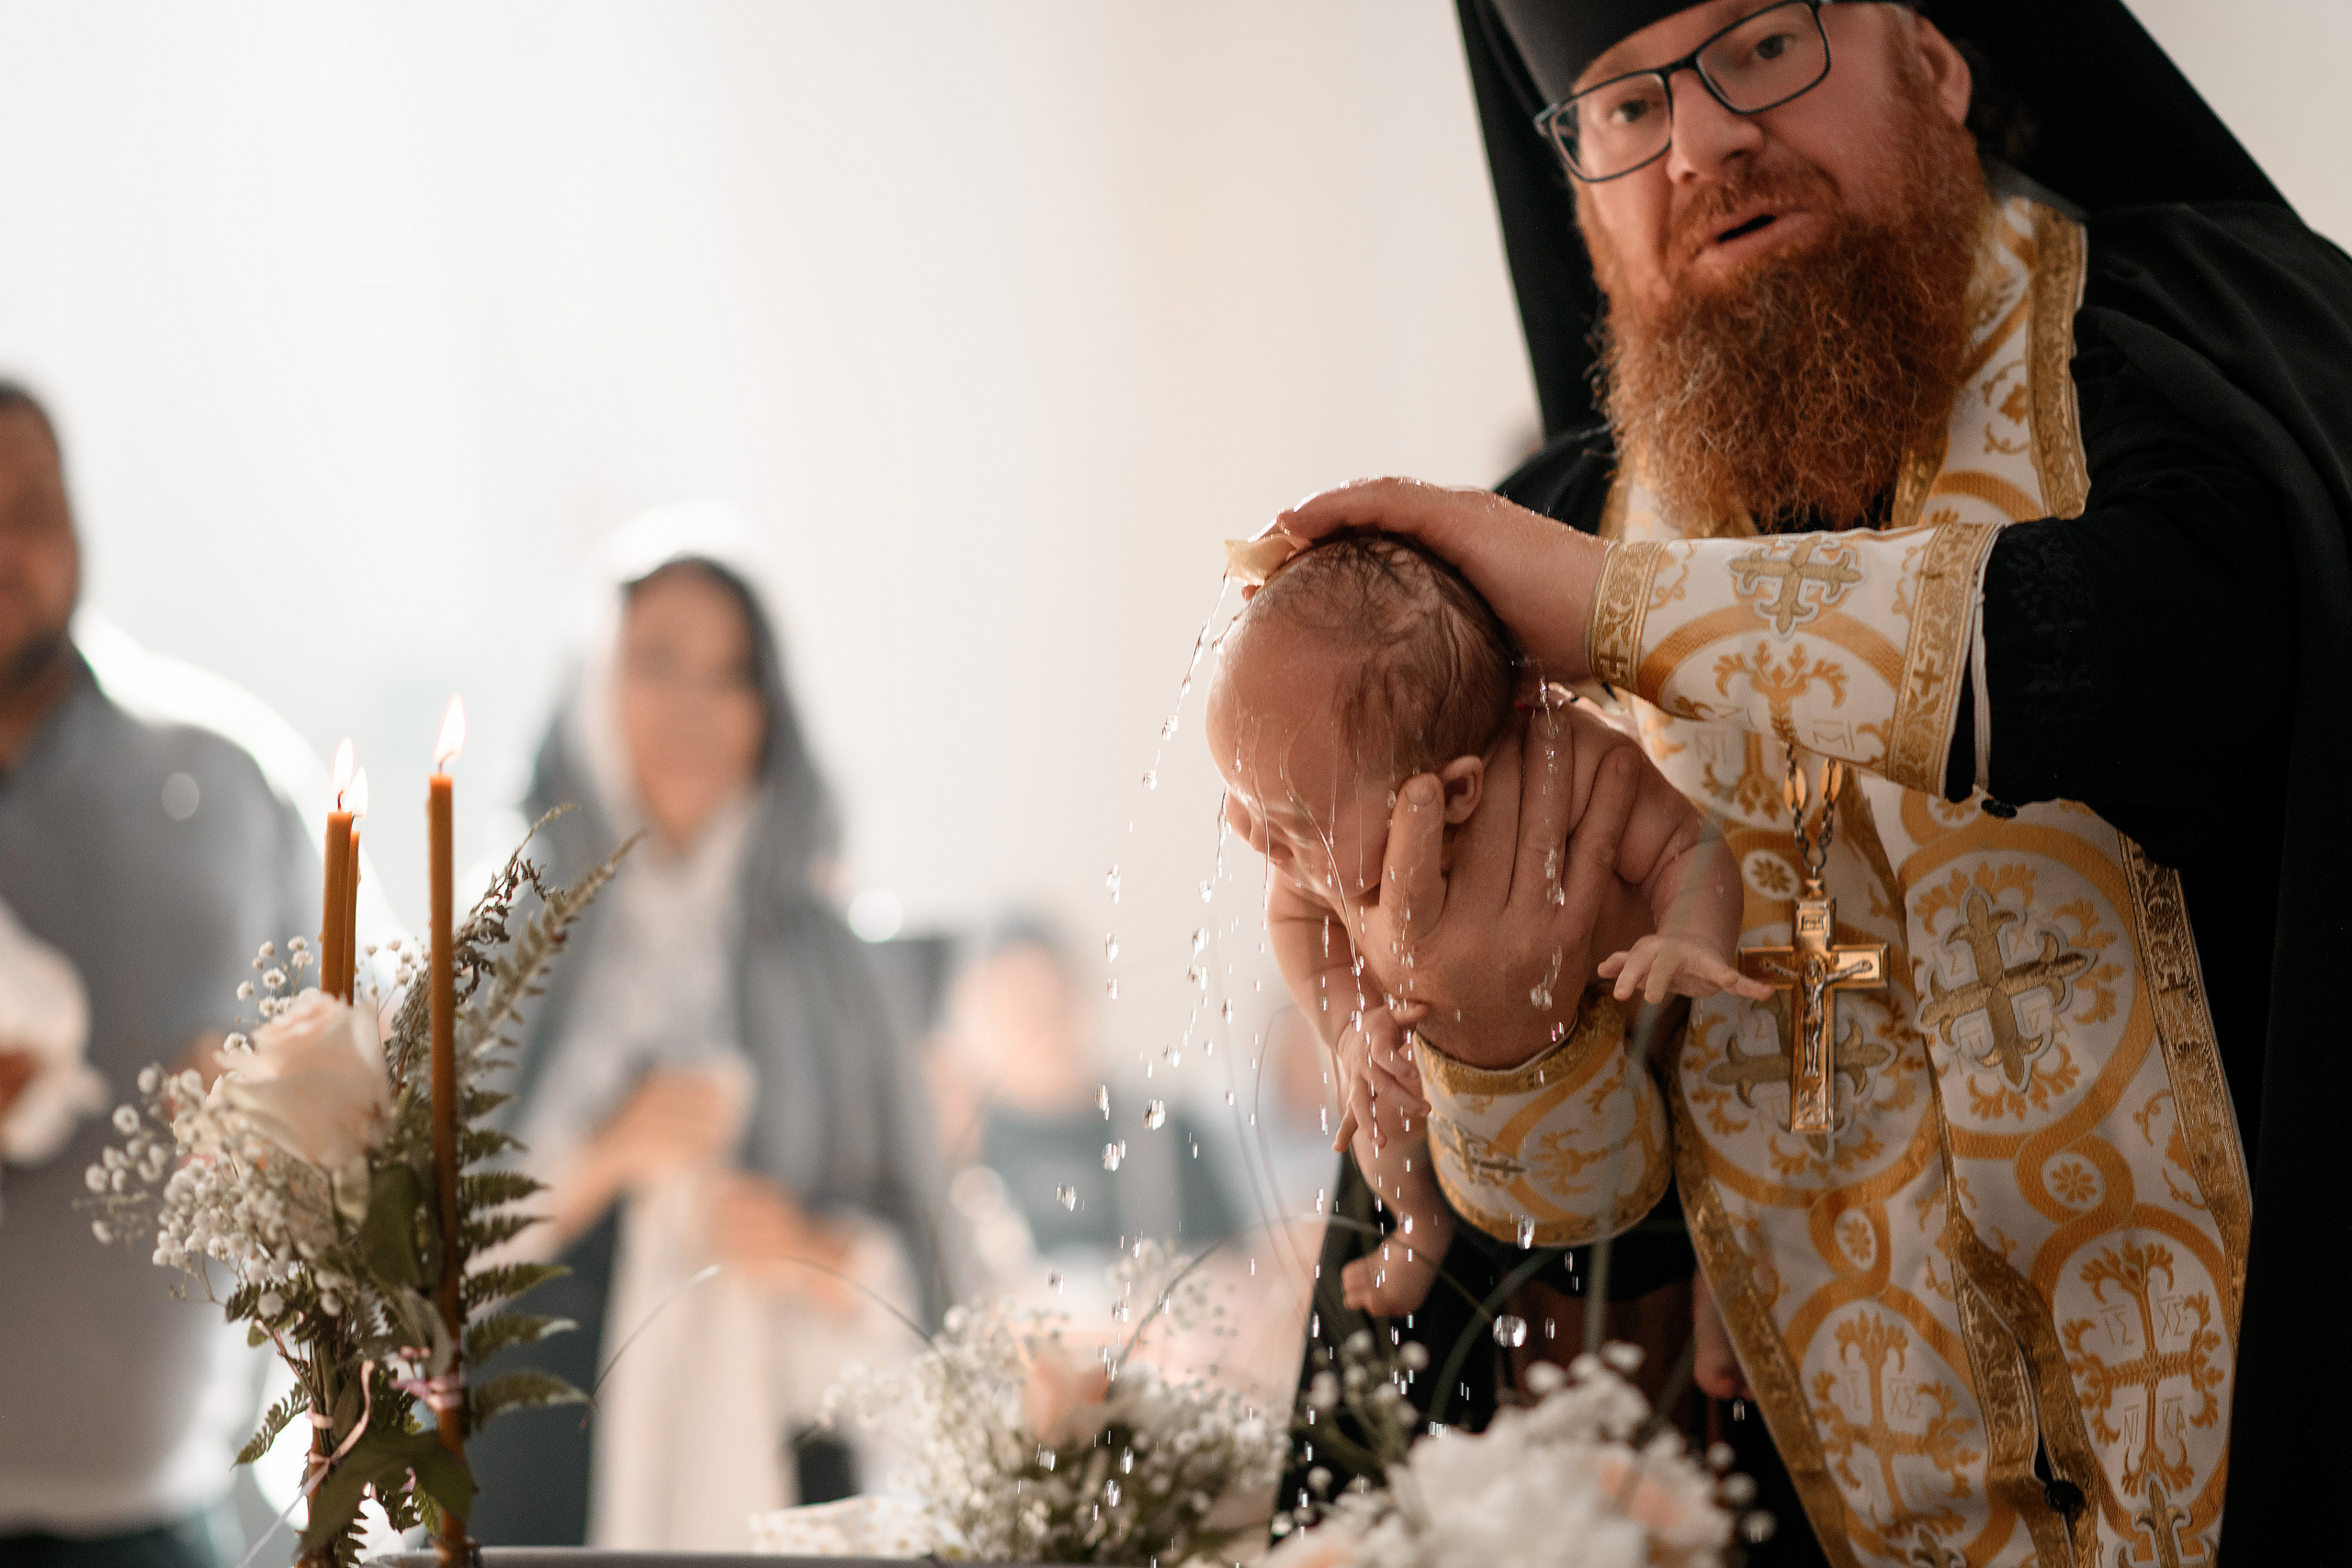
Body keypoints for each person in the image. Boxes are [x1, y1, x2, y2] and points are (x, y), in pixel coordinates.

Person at [1268, 3, 2349, 1562]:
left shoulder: (2188, 340)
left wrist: (1628, 615)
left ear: (1939, 55)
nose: (1704, 141)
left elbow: (2182, 645)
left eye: (1764, 46)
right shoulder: (1556, 551)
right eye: (1625, 110)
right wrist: (1501, 1050)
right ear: (1582, 195)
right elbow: (1577, 1270)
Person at [464, 504, 948, 1551]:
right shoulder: (498, 936)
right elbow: (407, 1259)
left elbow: (923, 1240)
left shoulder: (829, 960)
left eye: (729, 674)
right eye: (656, 662)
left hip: (771, 1477)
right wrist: (605, 1155)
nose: (692, 707)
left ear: (768, 709)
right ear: (593, 682)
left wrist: (819, 1251)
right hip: (523, 1473)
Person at [1208, 534, 1767, 1318]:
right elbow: (1299, 925)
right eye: (1242, 798)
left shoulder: (1580, 771)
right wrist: (1348, 1028)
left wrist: (1691, 936)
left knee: (1727, 1132)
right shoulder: (1318, 855)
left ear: (1456, 792)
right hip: (1454, 1106)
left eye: (1292, 821)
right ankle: (1417, 1223)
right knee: (1376, 1111)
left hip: (1645, 1052)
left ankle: (1726, 1300)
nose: (1250, 834)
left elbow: (1688, 845)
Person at [0, 382, 320, 1566]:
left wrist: (281, 1106)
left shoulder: (227, 788)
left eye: (33, 500)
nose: (8, 542)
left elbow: (375, 1102)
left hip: (167, 1519)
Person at [934, 916, 1241, 1298]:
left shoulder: (1160, 1132)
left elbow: (1233, 1272)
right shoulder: (956, 1143)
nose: (1035, 1022)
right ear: (971, 1017)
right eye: (1013, 1004)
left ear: (1084, 997)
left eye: (1049, 997)